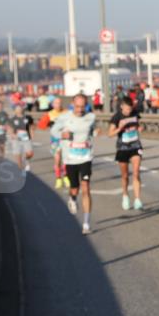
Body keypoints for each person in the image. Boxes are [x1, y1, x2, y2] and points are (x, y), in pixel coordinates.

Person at [52, 93, 98, 234]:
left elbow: (93, 129)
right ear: (73, 104)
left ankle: (86, 223)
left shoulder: (91, 117)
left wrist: (96, 131)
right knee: (75, 188)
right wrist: (62, 135)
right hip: (70, 158)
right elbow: (53, 131)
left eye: (82, 106)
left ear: (86, 105)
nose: (79, 109)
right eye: (77, 106)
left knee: (86, 187)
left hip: (85, 157)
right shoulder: (65, 117)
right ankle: (72, 198)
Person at [108, 97, 144, 211]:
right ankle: (125, 196)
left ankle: (138, 199)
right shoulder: (116, 117)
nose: (129, 111)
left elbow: (138, 125)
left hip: (135, 146)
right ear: (122, 107)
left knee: (136, 172)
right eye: (127, 109)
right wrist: (120, 128)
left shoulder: (135, 113)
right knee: (124, 176)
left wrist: (140, 128)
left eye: (130, 109)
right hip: (122, 148)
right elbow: (110, 134)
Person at [9, 104, 34, 175]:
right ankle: (21, 170)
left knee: (29, 153)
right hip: (17, 139)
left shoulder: (28, 117)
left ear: (22, 109)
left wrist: (32, 134)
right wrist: (12, 135)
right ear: (15, 110)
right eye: (17, 109)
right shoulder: (12, 119)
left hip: (26, 137)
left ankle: (26, 159)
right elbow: (10, 128)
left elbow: (32, 126)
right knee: (18, 155)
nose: (19, 110)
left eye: (20, 108)